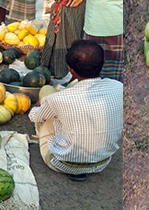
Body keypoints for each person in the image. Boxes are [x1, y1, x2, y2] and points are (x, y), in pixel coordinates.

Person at [28, 40, 123, 181]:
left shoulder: (58, 99)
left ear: (70, 70)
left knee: (47, 119)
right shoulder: (119, 88)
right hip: (101, 163)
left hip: (61, 163)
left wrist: (40, 104)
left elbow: (34, 117)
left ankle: (70, 161)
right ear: (103, 63)